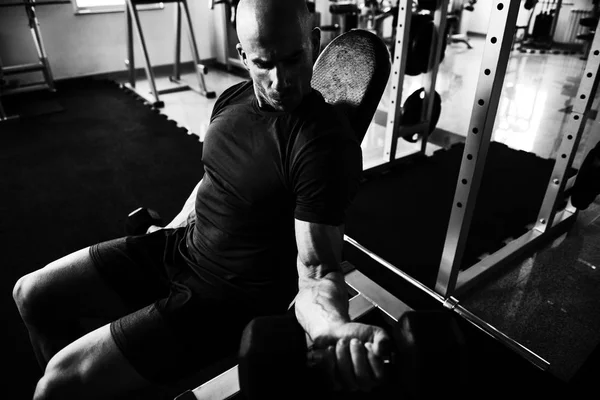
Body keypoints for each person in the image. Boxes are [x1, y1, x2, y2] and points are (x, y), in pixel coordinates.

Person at [12, 0, 392, 398]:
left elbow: (317, 273)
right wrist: (172, 227)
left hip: (224, 298)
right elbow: (213, 181)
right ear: (243, 55)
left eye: (293, 59)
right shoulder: (232, 100)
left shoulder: (324, 146)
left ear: (313, 43)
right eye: (263, 63)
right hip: (177, 247)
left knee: (57, 382)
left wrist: (330, 326)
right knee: (31, 293)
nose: (279, 80)